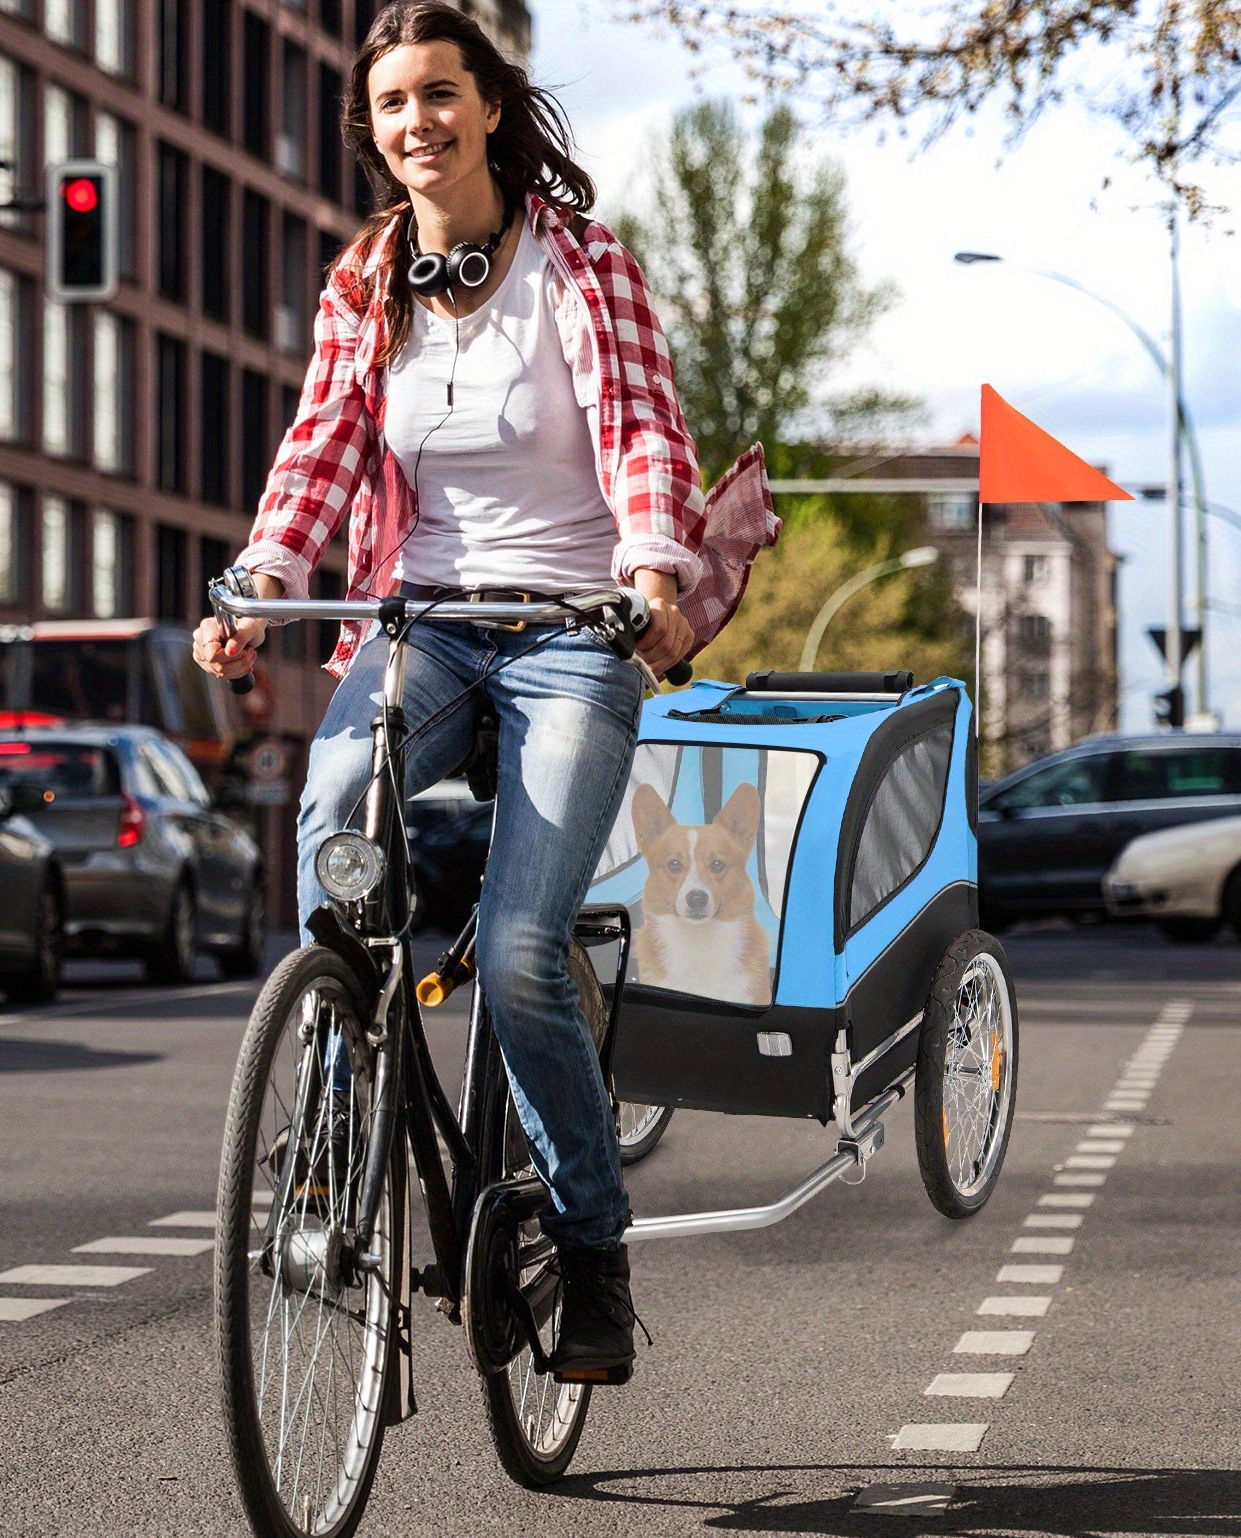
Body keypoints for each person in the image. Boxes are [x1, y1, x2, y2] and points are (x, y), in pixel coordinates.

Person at [192, 0, 777, 1384]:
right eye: (394, 105)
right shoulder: (367, 281)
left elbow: (641, 430)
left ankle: (589, 1245)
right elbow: (322, 443)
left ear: (493, 107)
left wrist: (647, 567)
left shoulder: (579, 264)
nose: (419, 123)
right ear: (376, 132)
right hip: (428, 620)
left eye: (441, 94)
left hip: (575, 628)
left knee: (517, 953)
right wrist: (263, 576)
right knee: (337, 814)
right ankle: (338, 1144)